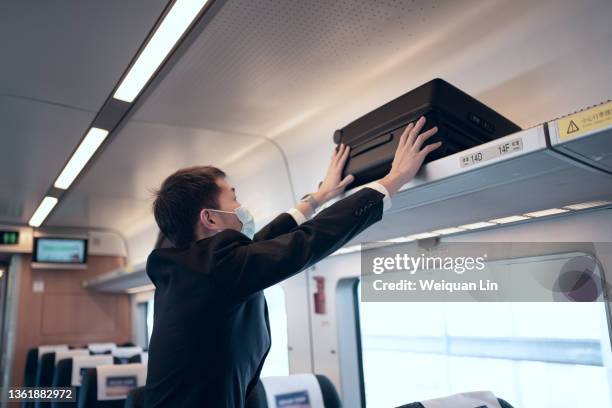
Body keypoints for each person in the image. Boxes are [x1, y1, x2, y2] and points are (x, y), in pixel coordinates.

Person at [144, 117, 440, 407]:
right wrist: (394, 178)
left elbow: (262, 243)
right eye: (234, 199)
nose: (241, 208)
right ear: (209, 218)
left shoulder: (196, 268)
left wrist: (317, 198)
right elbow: (309, 240)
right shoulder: (216, 269)